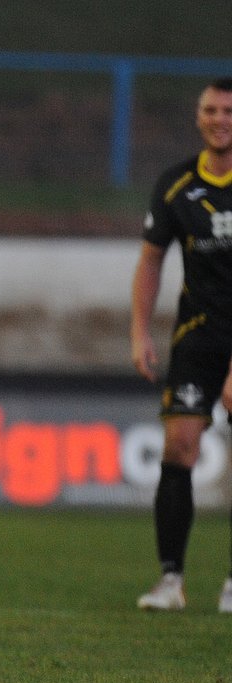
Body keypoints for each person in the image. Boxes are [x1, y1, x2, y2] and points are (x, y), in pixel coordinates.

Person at [132, 77, 232, 613]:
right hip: (198, 334)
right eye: (210, 110)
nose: (219, 119)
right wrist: (138, 331)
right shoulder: (176, 185)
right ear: (198, 117)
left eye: (228, 111)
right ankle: (171, 581)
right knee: (179, 446)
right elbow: (151, 261)